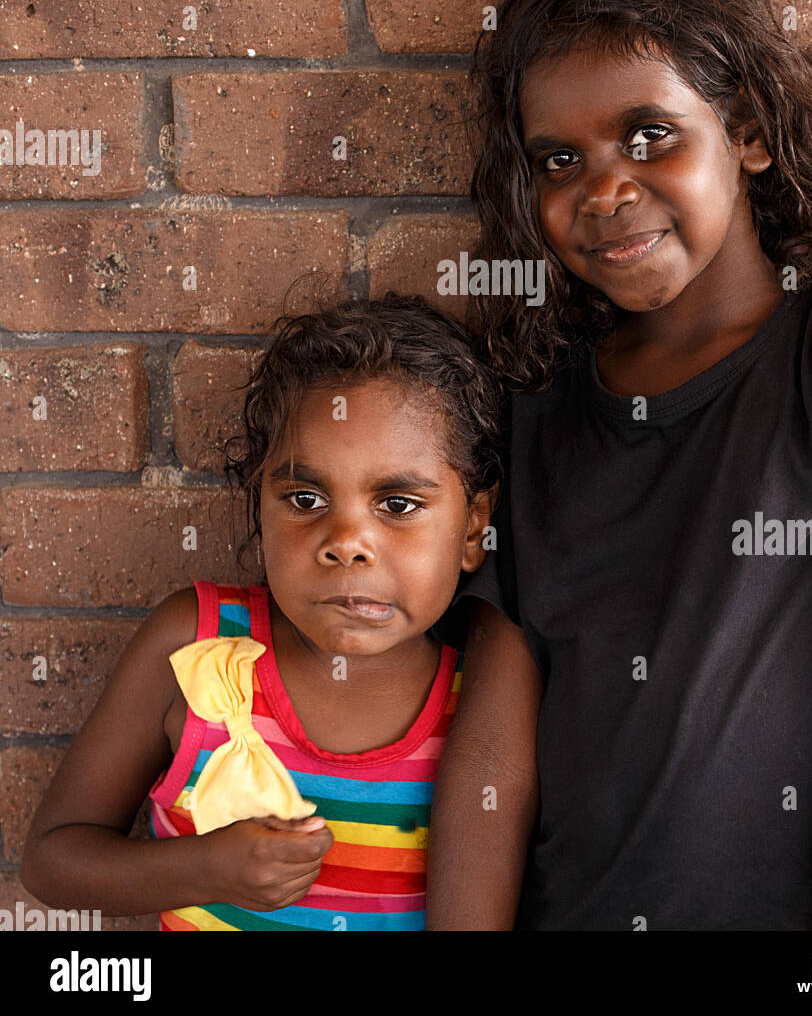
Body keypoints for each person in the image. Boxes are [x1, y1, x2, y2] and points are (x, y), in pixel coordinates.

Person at [425, 0, 812, 931]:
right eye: (557, 161)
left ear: (746, 130)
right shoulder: (538, 409)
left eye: (648, 134)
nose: (605, 189)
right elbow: (494, 759)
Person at [21, 293, 502, 931]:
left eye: (398, 504)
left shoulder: (483, 702)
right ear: (260, 507)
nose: (346, 543)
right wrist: (205, 869)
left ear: (473, 528)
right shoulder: (198, 647)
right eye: (304, 497)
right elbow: (52, 861)